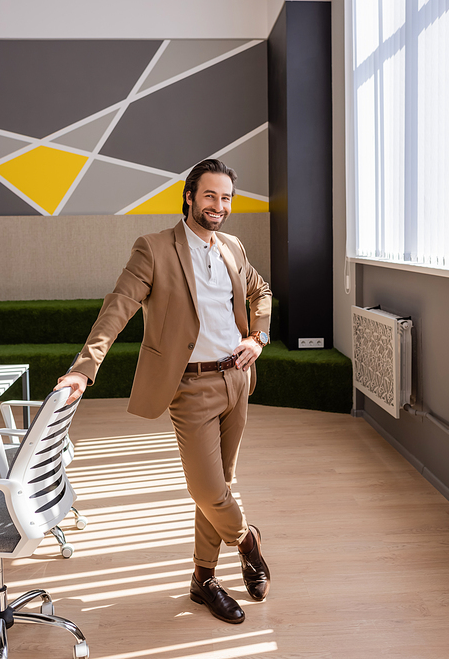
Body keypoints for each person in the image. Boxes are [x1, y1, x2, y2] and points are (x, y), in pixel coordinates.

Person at [55, 158, 272, 624]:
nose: (219, 205)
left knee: (219, 487)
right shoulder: (154, 249)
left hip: (236, 379)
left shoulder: (233, 246)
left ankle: (204, 580)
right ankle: (248, 540)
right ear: (189, 197)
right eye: (210, 195)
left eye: (226, 197)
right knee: (208, 488)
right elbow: (117, 308)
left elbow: (261, 291)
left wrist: (258, 337)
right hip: (190, 386)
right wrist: (82, 369)